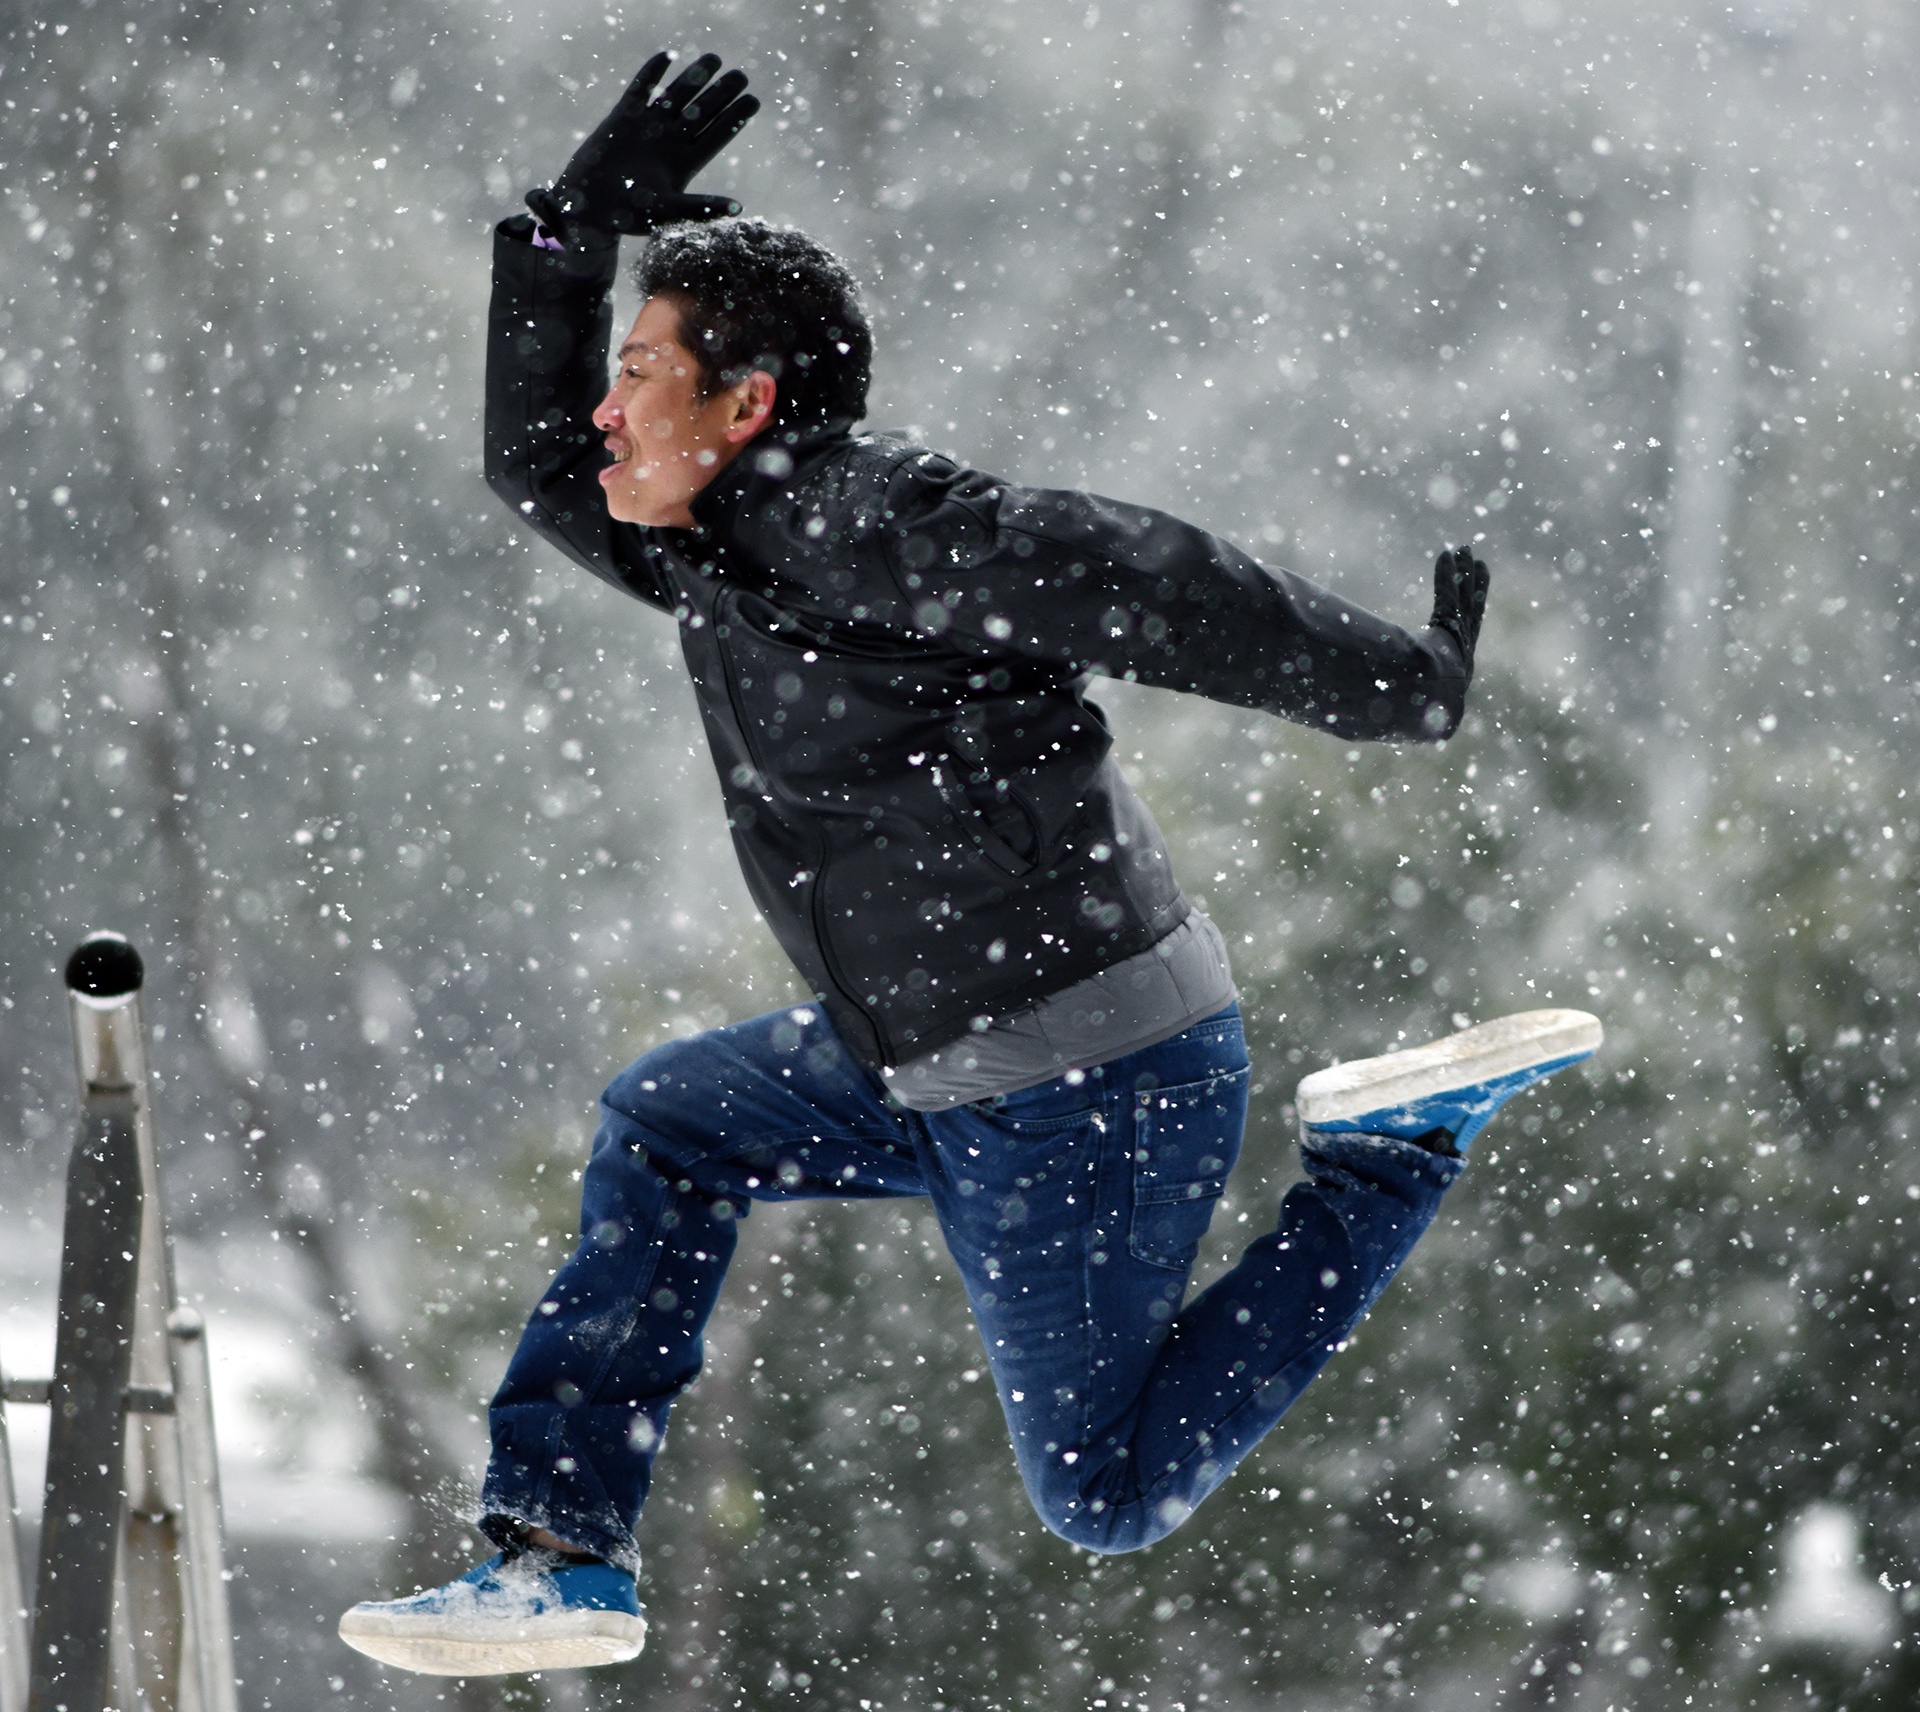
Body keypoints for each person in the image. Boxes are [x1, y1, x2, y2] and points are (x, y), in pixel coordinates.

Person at [339, 49, 1600, 1678]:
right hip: (931, 1055)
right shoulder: (713, 548)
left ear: (748, 407)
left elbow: (1146, 578)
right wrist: (568, 238)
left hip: (1085, 1077)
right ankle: (560, 1560)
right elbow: (533, 459)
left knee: (1107, 1493)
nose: (604, 407)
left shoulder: (877, 525)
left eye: (639, 371)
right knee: (669, 1123)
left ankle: (1385, 1162)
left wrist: (1392, 685)